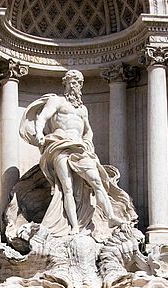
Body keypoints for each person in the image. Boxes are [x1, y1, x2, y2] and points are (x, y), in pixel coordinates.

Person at [20, 70, 136, 240]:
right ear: (65, 83)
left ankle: (110, 216)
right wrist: (39, 133)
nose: (74, 85)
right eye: (71, 82)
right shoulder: (56, 101)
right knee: (66, 188)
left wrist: (88, 143)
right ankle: (74, 226)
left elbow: (88, 131)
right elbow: (42, 118)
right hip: (59, 145)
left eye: (78, 82)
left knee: (97, 182)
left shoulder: (82, 109)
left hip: (80, 148)